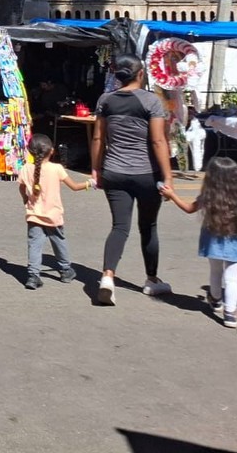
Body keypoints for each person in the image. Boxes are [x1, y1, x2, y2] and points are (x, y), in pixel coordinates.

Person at [91, 53, 175, 305]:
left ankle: (107, 277)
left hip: (114, 172)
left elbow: (98, 138)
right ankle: (151, 280)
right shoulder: (151, 101)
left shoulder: (106, 100)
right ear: (141, 74)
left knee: (119, 226)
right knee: (148, 227)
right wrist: (168, 175)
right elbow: (158, 140)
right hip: (146, 174)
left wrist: (96, 169)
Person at [160, 157, 237, 329]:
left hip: (212, 239)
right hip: (236, 240)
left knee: (215, 272)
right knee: (232, 279)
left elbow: (188, 208)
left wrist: (171, 195)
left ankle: (215, 300)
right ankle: (230, 314)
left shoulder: (208, 196)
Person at [18, 134, 89, 289]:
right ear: (51, 151)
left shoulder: (25, 168)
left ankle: (33, 276)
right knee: (59, 242)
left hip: (34, 215)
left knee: (34, 245)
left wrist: (26, 199)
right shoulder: (56, 169)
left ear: (30, 151)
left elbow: (22, 188)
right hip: (53, 215)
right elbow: (75, 186)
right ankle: (65, 270)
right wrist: (90, 183)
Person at [182, 106, 207, 174]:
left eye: (191, 112)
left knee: (197, 150)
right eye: (189, 112)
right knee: (183, 151)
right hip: (186, 135)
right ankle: (185, 168)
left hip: (194, 136)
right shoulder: (183, 120)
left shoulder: (195, 121)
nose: (190, 114)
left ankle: (196, 167)